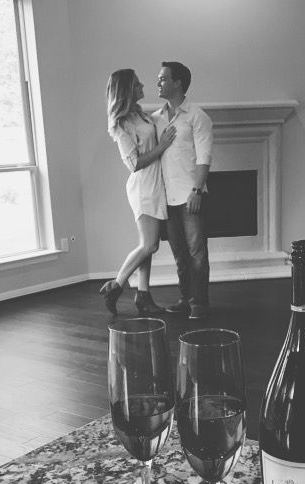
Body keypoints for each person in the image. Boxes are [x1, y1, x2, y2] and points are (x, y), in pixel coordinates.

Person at [99, 68, 176, 315]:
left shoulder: (140, 115)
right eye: (137, 83)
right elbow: (133, 163)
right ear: (127, 90)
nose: (143, 85)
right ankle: (117, 285)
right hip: (143, 186)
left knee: (148, 244)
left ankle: (143, 296)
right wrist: (163, 146)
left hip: (155, 184)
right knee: (150, 245)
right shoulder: (121, 124)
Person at [152, 61, 213, 320]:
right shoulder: (155, 119)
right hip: (166, 198)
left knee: (197, 252)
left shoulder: (197, 117)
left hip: (191, 196)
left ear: (177, 82)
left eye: (163, 78)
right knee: (179, 254)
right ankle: (185, 299)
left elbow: (204, 158)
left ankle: (199, 303)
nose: (159, 83)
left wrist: (197, 191)